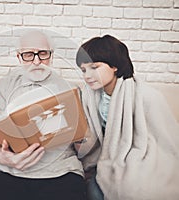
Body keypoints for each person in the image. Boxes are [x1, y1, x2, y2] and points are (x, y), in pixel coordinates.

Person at [0, 30, 87, 200]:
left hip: (58, 171)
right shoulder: (6, 86)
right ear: (19, 57)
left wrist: (81, 137)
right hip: (10, 170)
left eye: (43, 54)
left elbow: (84, 145)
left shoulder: (70, 89)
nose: (36, 61)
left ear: (51, 56)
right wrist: (3, 158)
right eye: (28, 55)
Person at [75, 35, 179, 200]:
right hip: (107, 157)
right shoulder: (88, 96)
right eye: (83, 70)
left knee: (134, 188)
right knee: (94, 192)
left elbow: (166, 141)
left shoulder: (146, 96)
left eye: (94, 67)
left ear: (114, 66)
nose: (87, 75)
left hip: (141, 154)